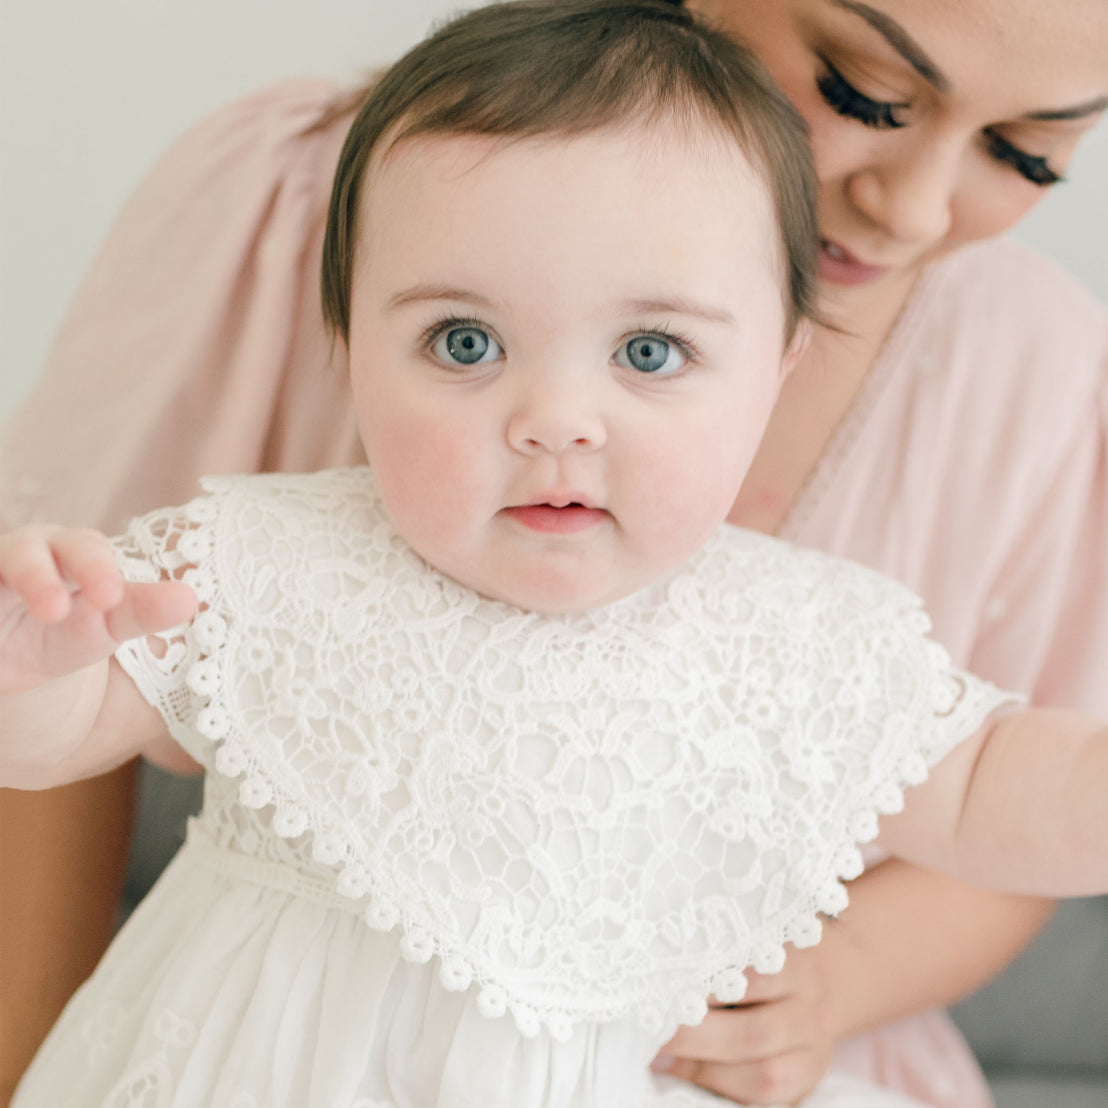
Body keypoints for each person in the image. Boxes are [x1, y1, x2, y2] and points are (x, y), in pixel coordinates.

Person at [0, 0, 1104, 1105]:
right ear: (351, 345)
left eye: (649, 351)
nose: (557, 419)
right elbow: (62, 742)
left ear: (775, 366)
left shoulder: (800, 635)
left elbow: (991, 790)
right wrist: (36, 668)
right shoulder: (263, 556)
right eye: (464, 343)